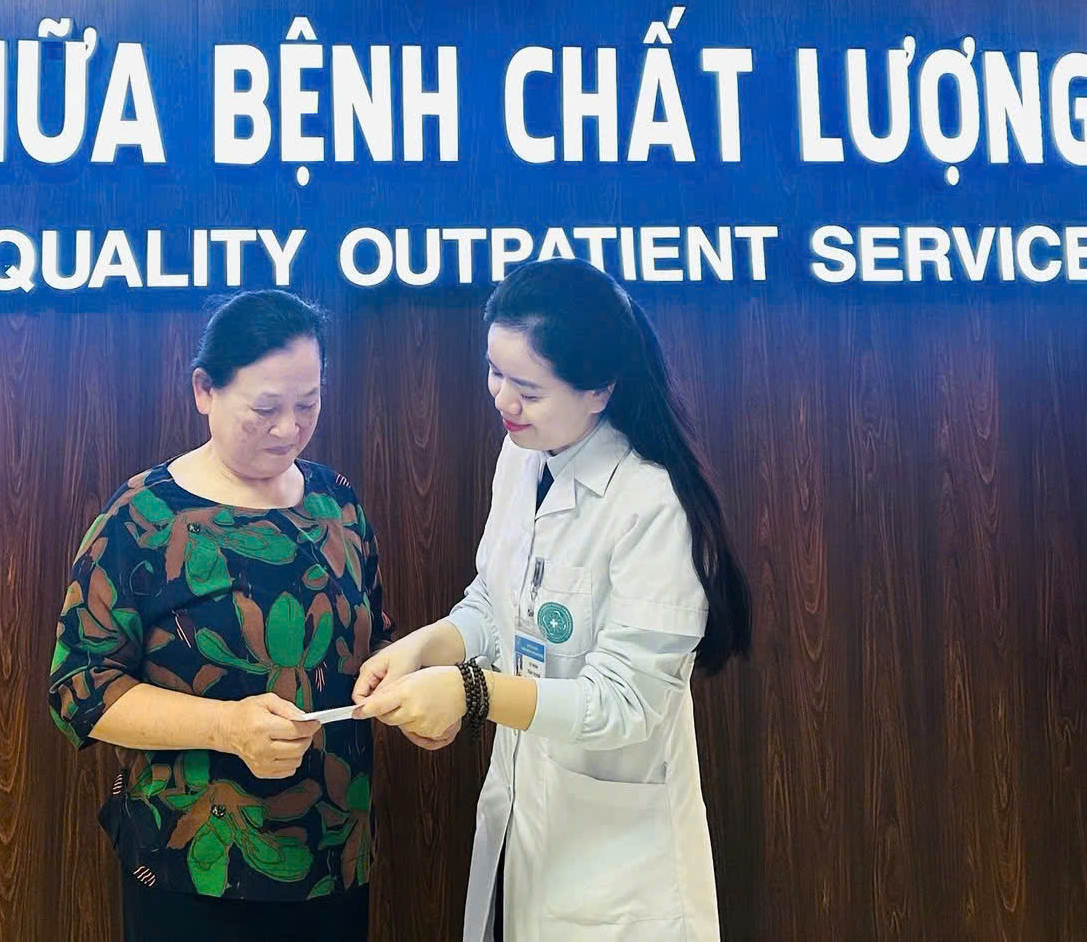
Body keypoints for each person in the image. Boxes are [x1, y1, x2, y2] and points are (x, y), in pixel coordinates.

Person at [354, 259, 751, 941]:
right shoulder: (523, 456)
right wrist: (425, 648)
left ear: (599, 389)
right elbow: (496, 601)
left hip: (621, 878)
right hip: (528, 831)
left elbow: (625, 702)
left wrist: (471, 693)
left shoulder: (651, 502)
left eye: (529, 389)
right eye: (495, 372)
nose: (503, 401)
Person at [50, 291, 387, 942]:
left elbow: (372, 645)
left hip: (335, 858)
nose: (288, 428)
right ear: (204, 390)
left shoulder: (337, 501)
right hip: (192, 869)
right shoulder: (143, 516)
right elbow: (79, 690)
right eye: (265, 408)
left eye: (308, 403)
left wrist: (409, 685)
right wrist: (227, 727)